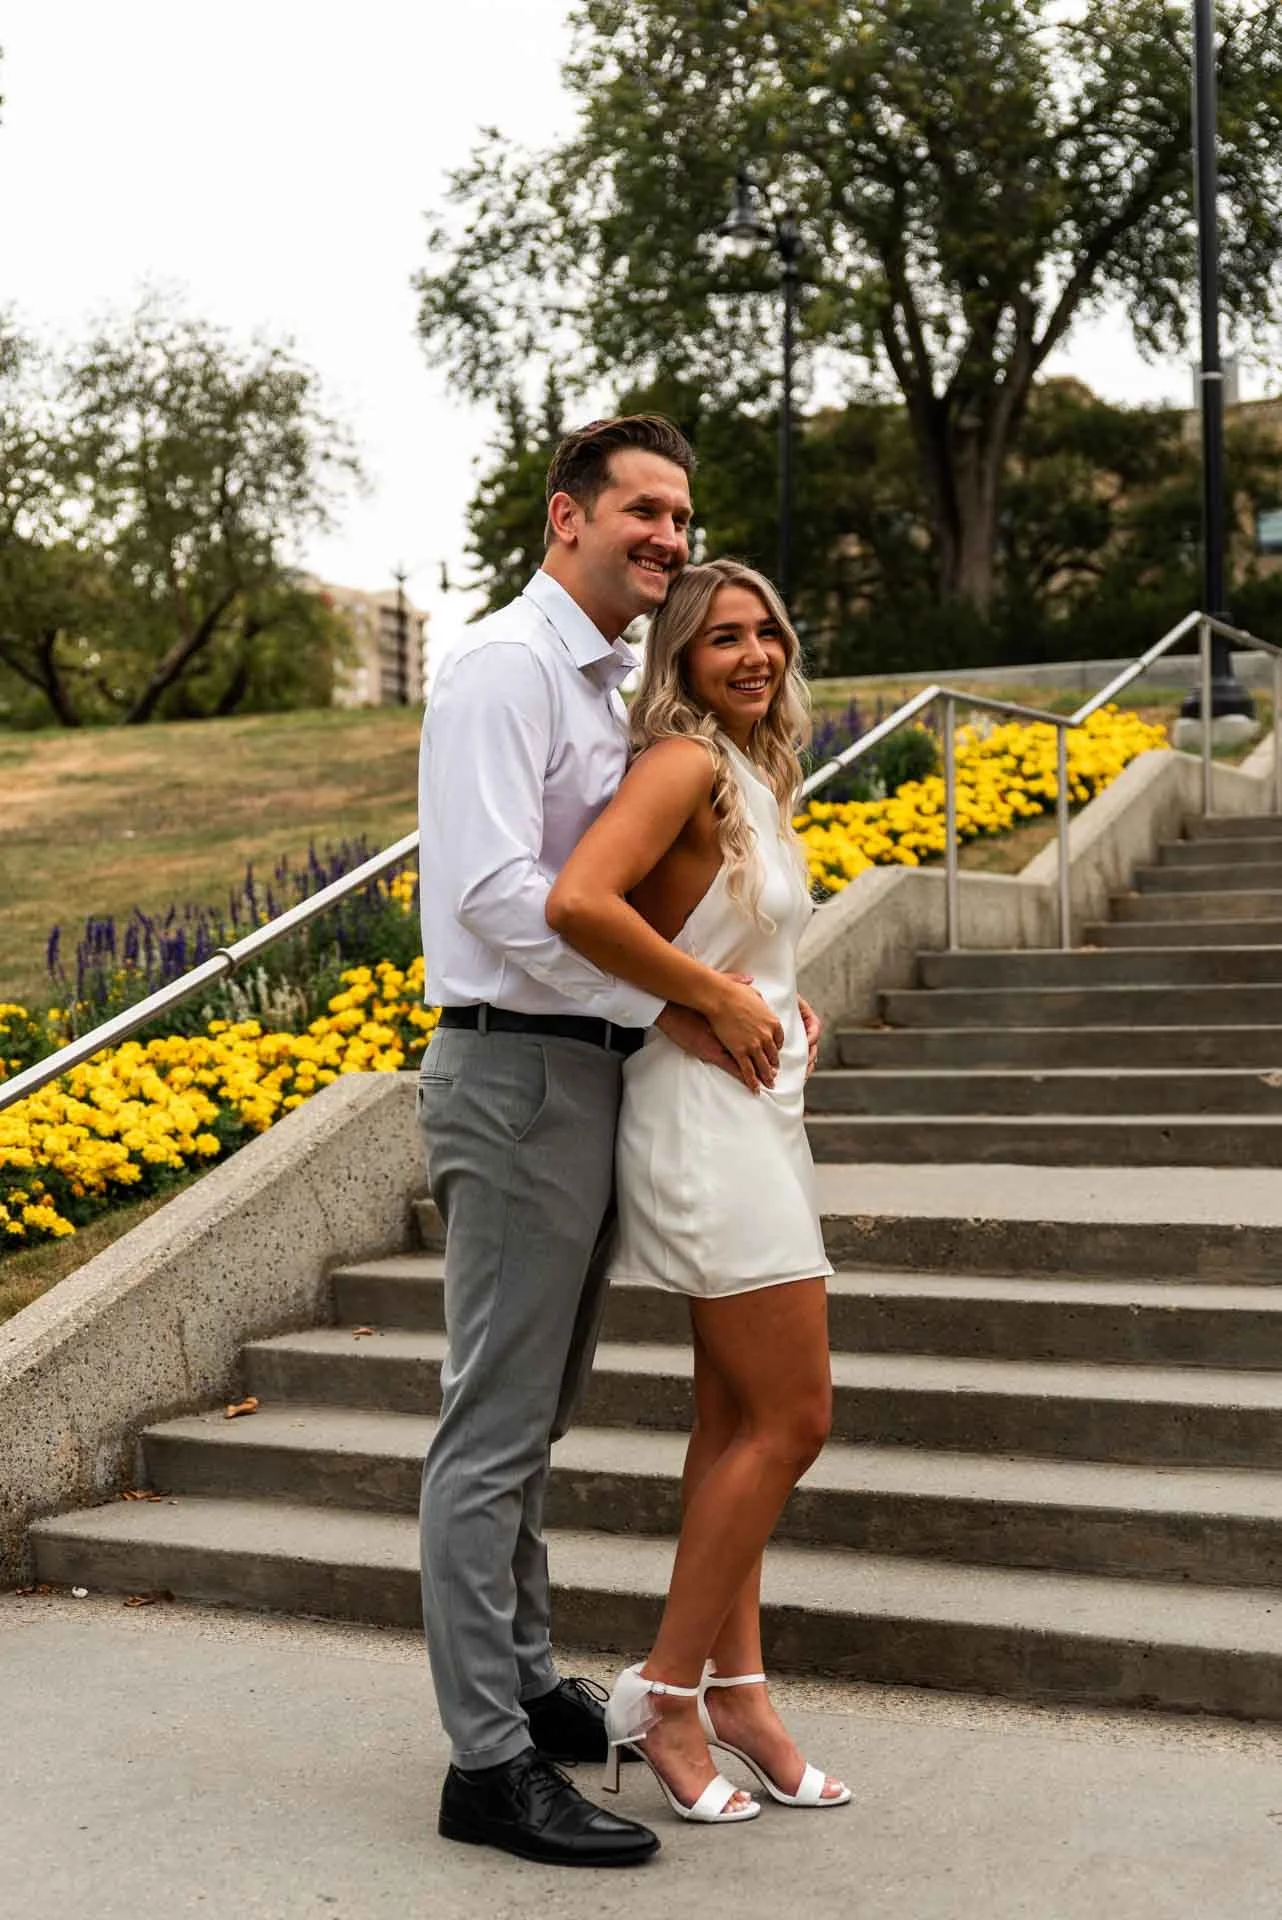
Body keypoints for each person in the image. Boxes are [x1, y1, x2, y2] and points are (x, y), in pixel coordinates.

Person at [415, 418, 786, 1868]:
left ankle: (521, 1682)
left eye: (681, 514)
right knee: (492, 1428)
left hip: (584, 1073)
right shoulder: (505, 669)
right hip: (514, 1072)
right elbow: (501, 894)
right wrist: (682, 996)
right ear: (565, 517)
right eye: (643, 509)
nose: (668, 537)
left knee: (538, 1410)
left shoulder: (603, 680)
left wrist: (690, 998)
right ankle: (486, 1764)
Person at [546, 557, 850, 1826]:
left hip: (759, 1110)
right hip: (702, 1124)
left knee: (732, 1423)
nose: (753, 653)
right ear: (678, 655)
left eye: (765, 631)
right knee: (795, 1416)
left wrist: (776, 996)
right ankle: (665, 1694)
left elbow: (721, 933)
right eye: (721, 637)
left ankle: (742, 1696)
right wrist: (709, 998)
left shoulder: (752, 770)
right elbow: (577, 902)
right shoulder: (679, 762)